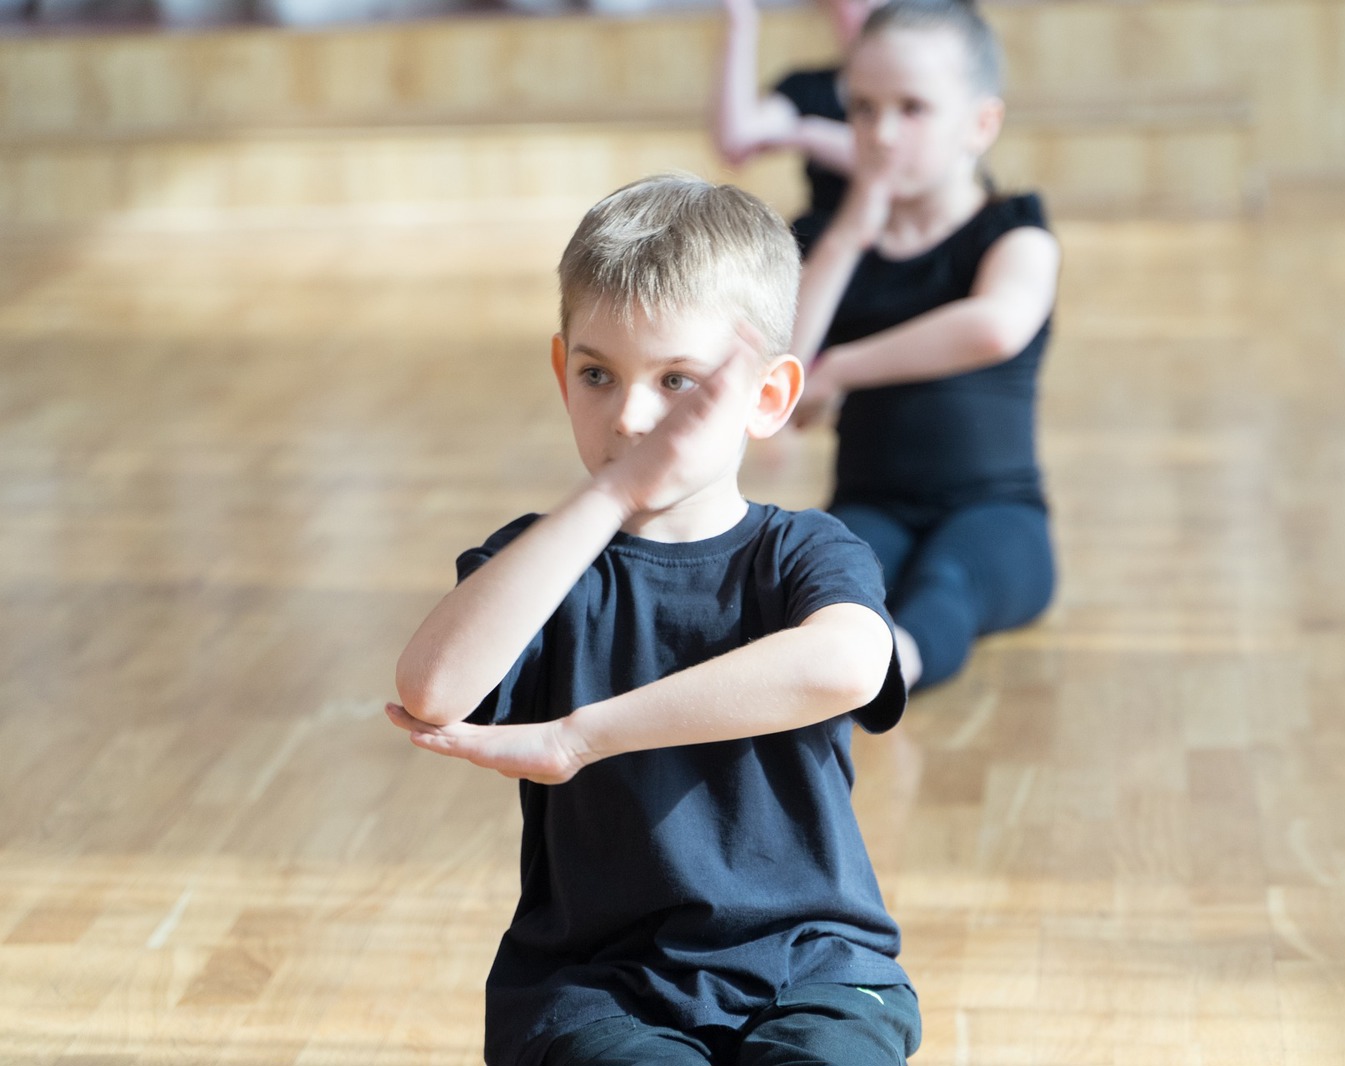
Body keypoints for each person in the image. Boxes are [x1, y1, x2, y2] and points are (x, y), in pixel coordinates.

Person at [386, 175, 921, 1066]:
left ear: (768, 396)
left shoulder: (806, 552)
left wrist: (580, 737)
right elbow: (431, 689)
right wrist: (611, 495)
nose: (632, 417)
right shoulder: (536, 564)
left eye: (678, 382)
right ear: (561, 372)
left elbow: (849, 664)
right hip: (595, 988)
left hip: (816, 970)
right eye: (597, 374)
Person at [787, 0, 1060, 692]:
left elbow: (995, 324)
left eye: (912, 109)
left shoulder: (1013, 232)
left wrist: (843, 367)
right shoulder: (826, 245)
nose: (881, 134)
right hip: (871, 505)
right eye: (862, 108)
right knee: (825, 582)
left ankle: (888, 674)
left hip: (996, 514)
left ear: (981, 124)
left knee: (947, 580)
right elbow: (783, 380)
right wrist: (848, 235)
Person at [712, 0, 877, 247]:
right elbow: (736, 140)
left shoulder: (927, 88)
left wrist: (808, 133)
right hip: (821, 242)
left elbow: (894, 165)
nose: (872, 9)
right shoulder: (807, 87)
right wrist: (741, 23)